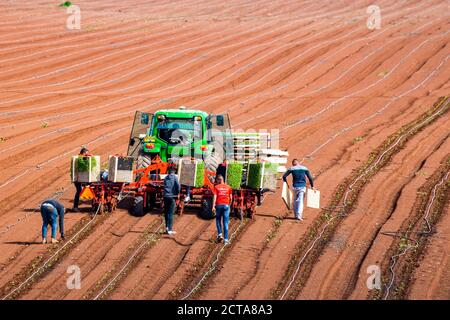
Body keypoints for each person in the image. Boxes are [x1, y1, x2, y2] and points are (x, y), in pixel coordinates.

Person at [212, 175, 233, 245]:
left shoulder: (216, 187)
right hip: (226, 206)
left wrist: (213, 206)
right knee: (225, 223)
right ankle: (226, 240)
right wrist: (229, 206)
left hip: (218, 205)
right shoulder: (229, 187)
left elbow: (215, 197)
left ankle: (220, 234)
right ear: (223, 180)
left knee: (218, 220)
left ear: (218, 180)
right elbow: (231, 198)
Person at [163, 167, 180, 235]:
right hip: (172, 197)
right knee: (170, 213)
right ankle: (170, 229)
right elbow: (178, 186)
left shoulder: (166, 178)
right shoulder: (175, 178)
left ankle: (167, 227)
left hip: (165, 196)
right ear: (174, 172)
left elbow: (164, 185)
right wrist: (178, 193)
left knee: (166, 213)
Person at [72, 147, 90, 212]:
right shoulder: (80, 159)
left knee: (87, 187)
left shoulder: (80, 158)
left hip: (81, 178)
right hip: (78, 179)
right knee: (79, 191)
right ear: (84, 153)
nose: (87, 155)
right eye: (86, 154)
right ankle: (75, 207)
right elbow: (83, 166)